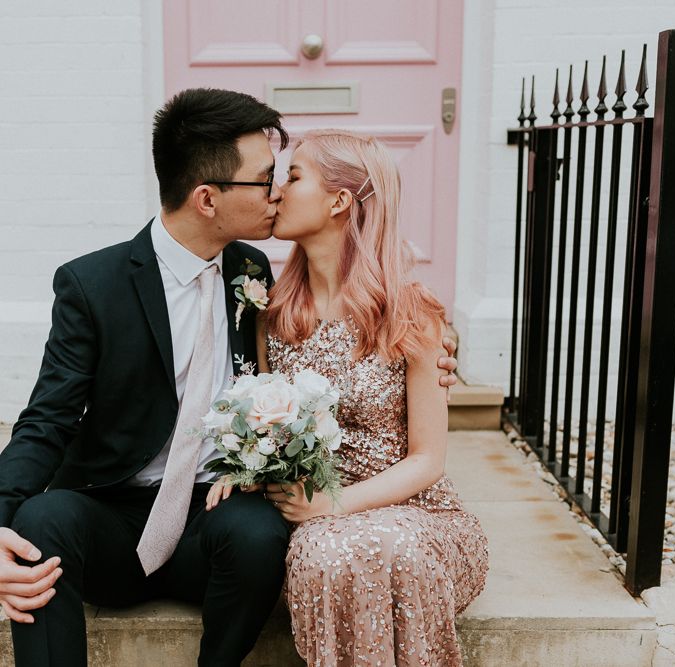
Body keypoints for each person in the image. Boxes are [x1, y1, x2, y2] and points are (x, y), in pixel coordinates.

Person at [0, 89, 459, 666]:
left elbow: (369, 328)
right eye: (266, 178)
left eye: (286, 178)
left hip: (215, 514)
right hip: (114, 515)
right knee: (39, 519)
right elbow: (47, 418)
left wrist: (440, 346)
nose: (276, 192)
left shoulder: (252, 275)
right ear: (207, 198)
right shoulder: (93, 285)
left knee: (259, 531)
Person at [208, 130, 488, 666]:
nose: (276, 191)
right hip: (316, 521)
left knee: (381, 550)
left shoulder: (409, 311)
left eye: (293, 177)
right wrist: (241, 466)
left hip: (413, 512)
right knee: (327, 555)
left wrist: (329, 505)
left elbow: (428, 460)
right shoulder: (273, 314)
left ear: (339, 201)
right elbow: (266, 428)